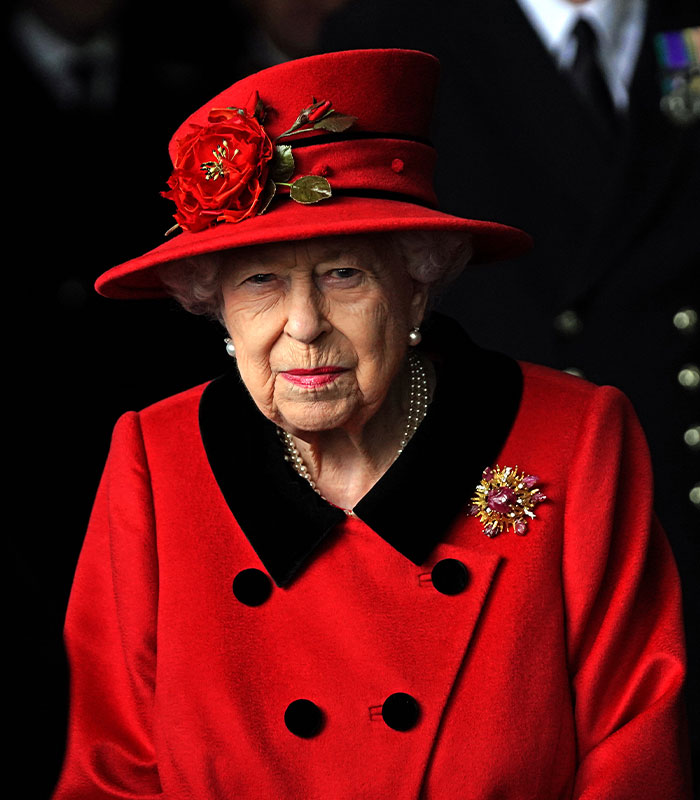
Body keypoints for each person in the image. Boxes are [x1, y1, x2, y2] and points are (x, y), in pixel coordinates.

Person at [53, 49, 691, 798]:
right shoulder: (156, 459)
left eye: (343, 274)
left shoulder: (574, 438)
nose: (304, 325)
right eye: (260, 280)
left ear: (417, 285)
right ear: (216, 306)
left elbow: (635, 751)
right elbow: (113, 771)